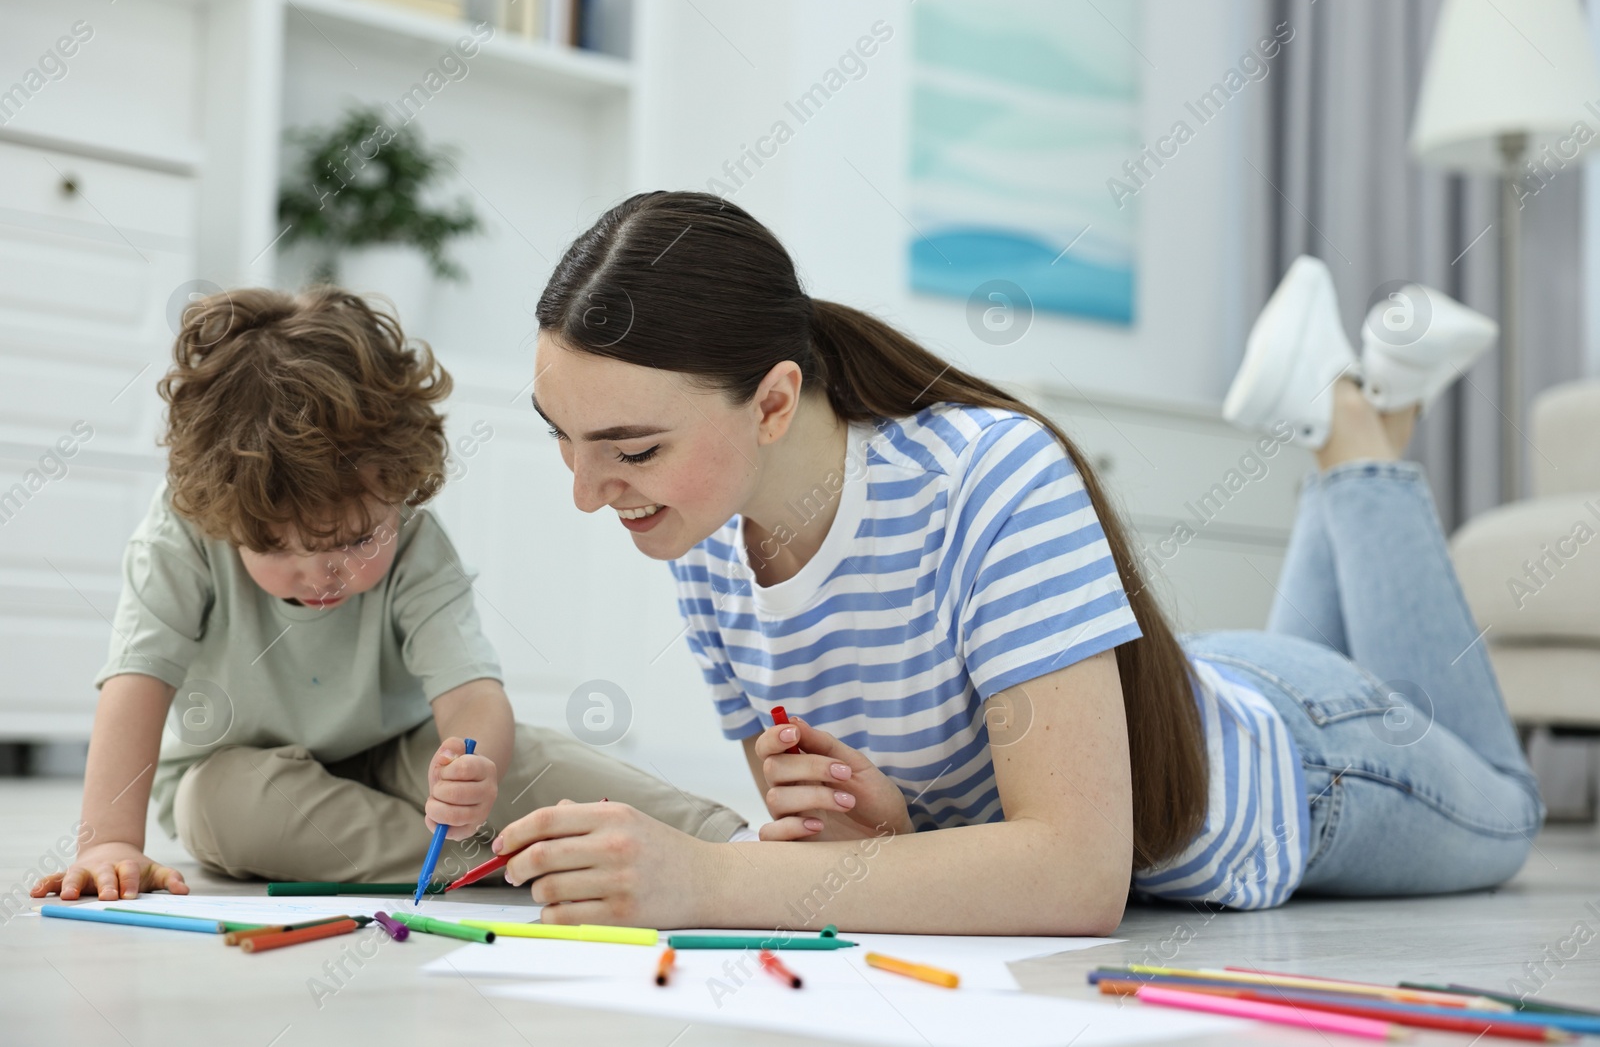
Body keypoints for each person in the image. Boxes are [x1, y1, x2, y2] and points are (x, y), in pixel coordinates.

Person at [488, 192, 1542, 934]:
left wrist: (711, 877)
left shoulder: (988, 476)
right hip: (1175, 690)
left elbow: (1076, 873)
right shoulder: (703, 536)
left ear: (771, 401)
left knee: (1508, 804)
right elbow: (897, 840)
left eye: (630, 449)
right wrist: (880, 826)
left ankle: (1355, 425)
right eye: (562, 438)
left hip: (1301, 762)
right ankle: (1331, 406)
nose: (589, 491)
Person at [31, 286, 744, 903]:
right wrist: (107, 842)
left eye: (354, 540)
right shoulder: (180, 534)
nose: (322, 574)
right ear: (223, 518)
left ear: (400, 491)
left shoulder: (414, 541)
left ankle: (727, 843)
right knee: (219, 810)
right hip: (240, 767)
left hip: (403, 746)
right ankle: (511, 860)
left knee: (528, 761)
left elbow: (470, 696)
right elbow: (136, 682)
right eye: (277, 548)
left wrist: (471, 768)